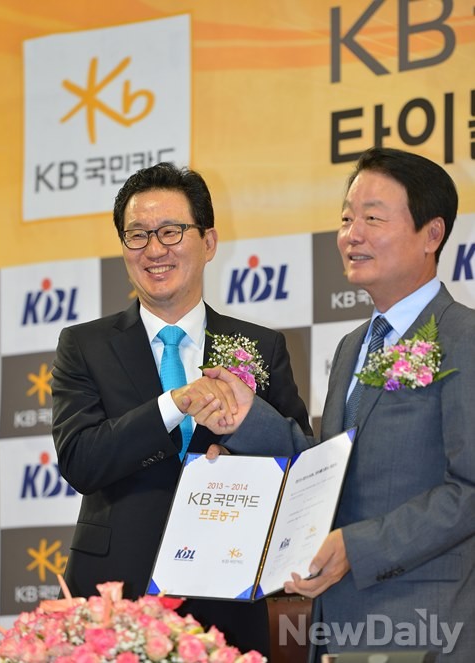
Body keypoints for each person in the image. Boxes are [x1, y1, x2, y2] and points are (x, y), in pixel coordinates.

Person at [194, 147, 475, 662]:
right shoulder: (353, 346)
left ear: (432, 234)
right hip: (340, 624)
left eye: (373, 218)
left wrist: (358, 547)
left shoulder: (465, 337)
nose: (352, 235)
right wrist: (249, 418)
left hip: (429, 624)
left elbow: (470, 489)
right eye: (347, 219)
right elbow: (327, 468)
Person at [51, 161, 312, 657]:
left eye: (171, 231)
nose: (154, 250)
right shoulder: (83, 346)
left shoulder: (260, 346)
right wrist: (172, 405)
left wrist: (240, 450)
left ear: (208, 242)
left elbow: (298, 466)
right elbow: (81, 461)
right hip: (113, 596)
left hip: (227, 592)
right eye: (137, 235)